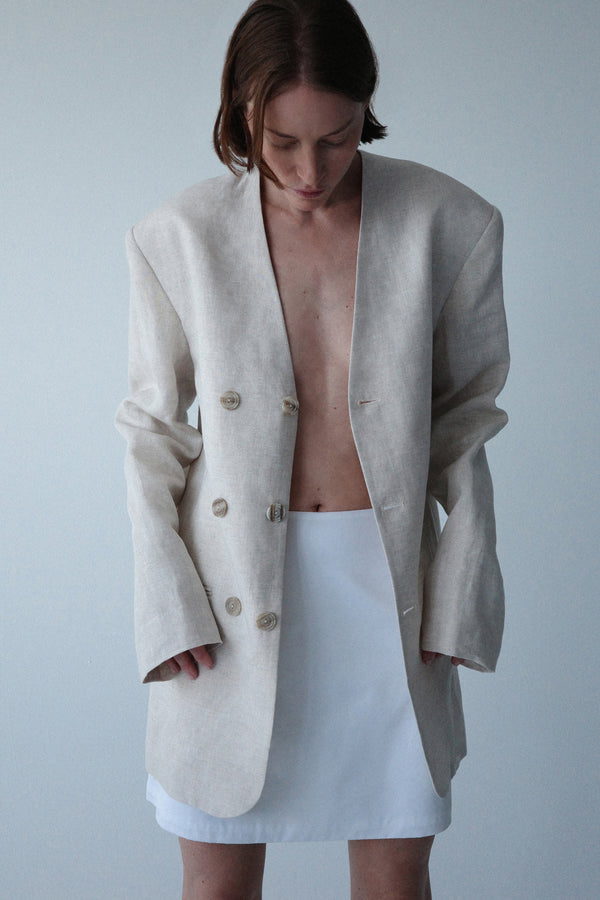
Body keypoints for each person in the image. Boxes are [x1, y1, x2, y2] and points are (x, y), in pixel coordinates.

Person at [115, 0, 509, 896]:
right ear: (239, 113)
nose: (307, 170)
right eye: (280, 142)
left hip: (388, 592)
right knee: (218, 881)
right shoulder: (176, 237)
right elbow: (151, 430)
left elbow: (468, 417)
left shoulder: (451, 222)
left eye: (334, 139)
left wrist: (463, 588)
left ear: (365, 105)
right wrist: (164, 606)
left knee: (395, 878)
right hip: (227, 594)